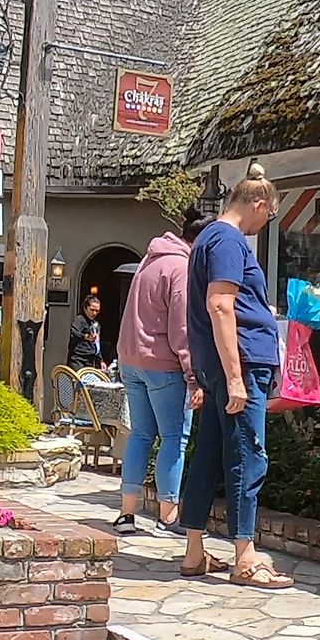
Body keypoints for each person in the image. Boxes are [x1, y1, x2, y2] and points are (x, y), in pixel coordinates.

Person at [177, 166, 293, 589]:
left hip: (220, 363)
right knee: (248, 453)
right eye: (271, 215)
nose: (268, 223)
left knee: (209, 454)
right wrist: (236, 377)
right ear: (259, 205)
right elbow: (221, 305)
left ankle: (194, 551)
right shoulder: (229, 241)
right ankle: (245, 555)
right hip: (239, 362)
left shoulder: (207, 237)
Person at [114, 225, 196, 534]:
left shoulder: (148, 261)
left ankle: (126, 514)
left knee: (140, 435)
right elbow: (182, 328)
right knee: (174, 437)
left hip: (131, 359)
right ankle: (169, 515)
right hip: (163, 363)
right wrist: (192, 375)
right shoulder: (181, 267)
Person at [66, 292, 106, 370]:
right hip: (78, 360)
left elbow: (97, 345)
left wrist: (101, 360)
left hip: (90, 360)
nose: (94, 313)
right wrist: (86, 336)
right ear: (85, 308)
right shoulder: (80, 320)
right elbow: (73, 333)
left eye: (97, 311)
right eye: (92, 310)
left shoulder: (95, 324)